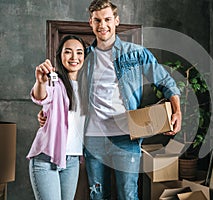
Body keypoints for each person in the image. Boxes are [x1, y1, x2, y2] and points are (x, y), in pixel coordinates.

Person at [77, 0, 182, 199]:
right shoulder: (84, 57)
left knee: (128, 195)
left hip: (126, 138)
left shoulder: (135, 53)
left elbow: (166, 81)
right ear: (90, 23)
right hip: (93, 139)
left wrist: (177, 111)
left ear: (116, 21)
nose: (102, 25)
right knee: (97, 196)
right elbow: (68, 91)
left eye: (107, 19)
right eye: (97, 20)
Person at [27, 35, 86, 200]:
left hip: (72, 161)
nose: (74, 57)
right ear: (60, 55)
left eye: (79, 53)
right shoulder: (55, 82)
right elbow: (42, 96)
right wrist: (40, 82)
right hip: (47, 158)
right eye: (68, 52)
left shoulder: (87, 88)